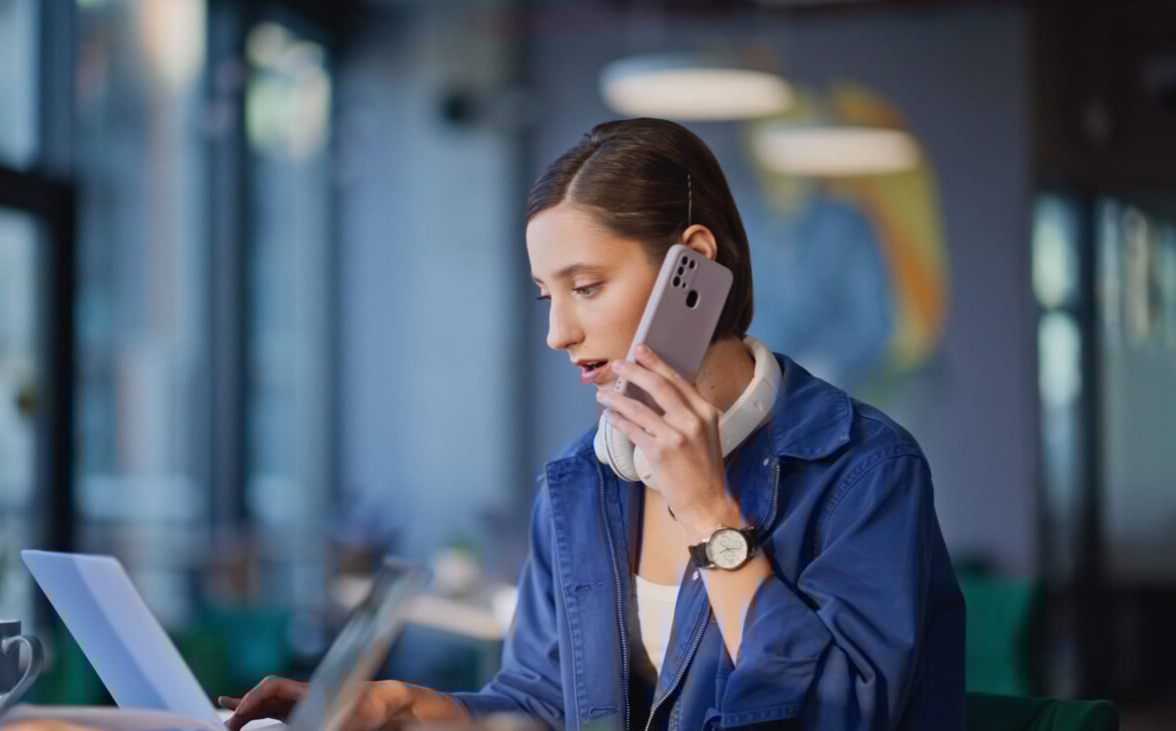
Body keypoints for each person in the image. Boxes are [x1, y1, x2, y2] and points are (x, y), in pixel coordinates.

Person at [220, 118, 966, 731]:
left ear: (693, 268)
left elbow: (846, 720)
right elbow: (544, 703)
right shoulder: (583, 481)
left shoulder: (865, 468)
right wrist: (408, 708)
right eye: (548, 295)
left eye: (587, 286)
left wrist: (713, 516)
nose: (559, 332)